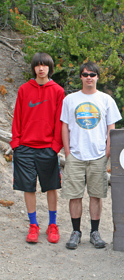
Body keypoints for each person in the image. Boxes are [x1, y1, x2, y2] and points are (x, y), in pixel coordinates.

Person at [60, 61, 122, 249]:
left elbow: (111, 129)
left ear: (97, 77)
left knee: (96, 195)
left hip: (98, 156)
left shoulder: (106, 100)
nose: (89, 78)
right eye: (85, 74)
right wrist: (68, 153)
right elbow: (65, 126)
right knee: (74, 195)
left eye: (92, 75)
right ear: (80, 76)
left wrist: (107, 153)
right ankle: (76, 232)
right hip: (76, 155)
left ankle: (94, 232)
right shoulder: (70, 99)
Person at [11, 52, 65, 244]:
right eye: (37, 65)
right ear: (33, 68)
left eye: (44, 66)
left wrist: (55, 146)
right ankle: (33, 225)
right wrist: (16, 143)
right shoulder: (24, 90)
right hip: (25, 147)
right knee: (28, 188)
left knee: (51, 187)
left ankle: (52, 224)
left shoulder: (58, 91)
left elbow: (60, 121)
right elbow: (17, 116)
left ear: (50, 68)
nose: (41, 69)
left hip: (47, 149)